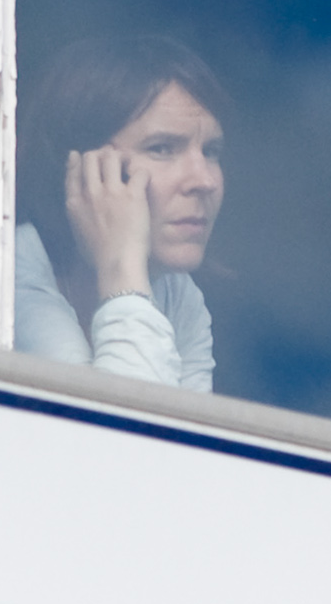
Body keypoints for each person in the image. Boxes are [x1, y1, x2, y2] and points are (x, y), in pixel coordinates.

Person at [15, 36, 228, 391]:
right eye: (162, 148)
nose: (204, 181)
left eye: (211, 151)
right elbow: (112, 422)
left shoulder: (176, 293)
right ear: (85, 170)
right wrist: (122, 273)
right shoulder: (12, 278)